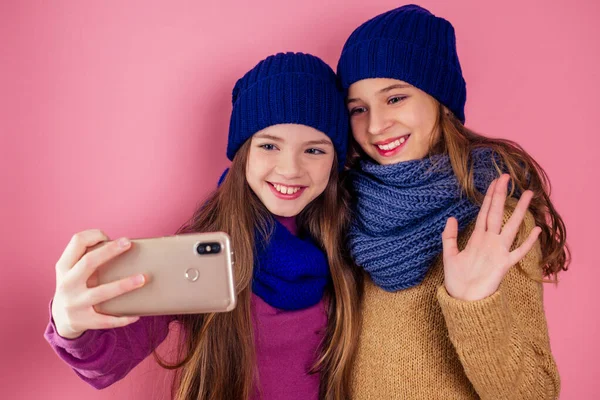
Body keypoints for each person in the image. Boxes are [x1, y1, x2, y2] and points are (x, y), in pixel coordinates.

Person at [44, 52, 362, 400]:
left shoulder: (347, 242)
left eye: (314, 151)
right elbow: (107, 362)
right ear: (243, 154)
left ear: (336, 161)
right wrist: (72, 325)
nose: (290, 169)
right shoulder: (202, 248)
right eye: (269, 145)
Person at [336, 5, 569, 399]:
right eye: (358, 108)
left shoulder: (493, 219)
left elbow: (536, 393)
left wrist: (475, 303)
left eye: (395, 98)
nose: (375, 126)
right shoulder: (354, 209)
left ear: (440, 101)